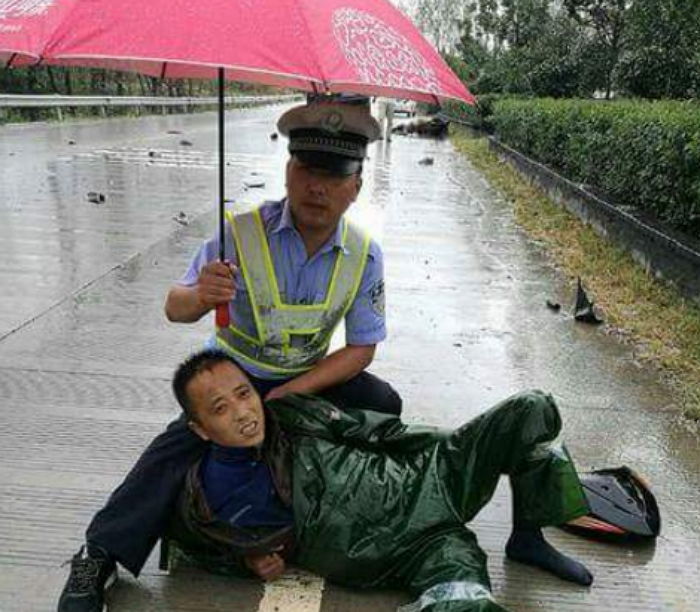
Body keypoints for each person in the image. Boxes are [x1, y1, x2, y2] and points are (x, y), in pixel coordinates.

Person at [57, 98, 402, 612]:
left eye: (335, 175)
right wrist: (201, 296)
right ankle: (98, 556)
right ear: (288, 172)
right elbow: (175, 307)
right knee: (173, 452)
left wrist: (292, 392)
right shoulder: (238, 235)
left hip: (303, 380)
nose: (317, 187)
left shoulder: (365, 254)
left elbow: (361, 349)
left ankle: (347, 521)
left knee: (383, 407)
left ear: (355, 186)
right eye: (307, 169)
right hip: (235, 377)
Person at [166, 350, 592, 612]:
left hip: (428, 477)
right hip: (401, 550)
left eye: (244, 394)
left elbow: (374, 430)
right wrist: (250, 558)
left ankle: (528, 536)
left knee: (533, 409)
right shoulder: (207, 497)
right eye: (220, 408)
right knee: (465, 598)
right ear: (199, 428)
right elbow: (204, 548)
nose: (243, 413)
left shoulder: (290, 414)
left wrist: (456, 445)